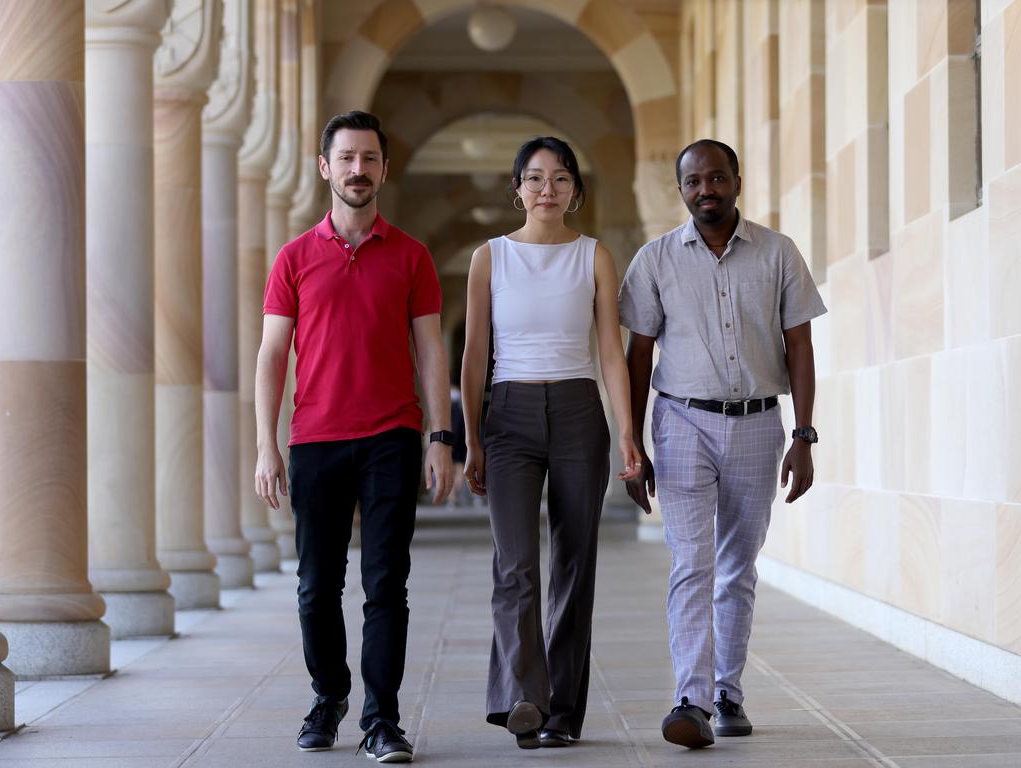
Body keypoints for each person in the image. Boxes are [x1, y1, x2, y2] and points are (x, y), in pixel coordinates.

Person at [254, 110, 454, 763]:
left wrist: (440, 435)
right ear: (325, 167)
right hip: (315, 440)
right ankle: (328, 694)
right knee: (316, 585)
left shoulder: (412, 255)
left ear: (383, 169)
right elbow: (271, 355)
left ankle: (381, 719)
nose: (358, 170)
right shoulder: (293, 258)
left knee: (386, 585)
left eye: (369, 158)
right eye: (347, 158)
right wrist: (267, 444)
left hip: (392, 437)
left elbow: (431, 352)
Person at [618, 139, 826, 750]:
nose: (704, 189)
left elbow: (801, 346)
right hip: (682, 420)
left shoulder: (778, 253)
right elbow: (637, 356)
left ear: (737, 179)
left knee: (737, 565)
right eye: (692, 182)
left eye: (715, 178)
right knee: (692, 563)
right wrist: (633, 445)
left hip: (761, 423)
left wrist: (804, 435)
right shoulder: (654, 261)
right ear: (679, 190)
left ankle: (728, 693)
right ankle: (691, 696)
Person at [460, 136, 642, 750]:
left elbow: (612, 355)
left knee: (573, 563)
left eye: (561, 178)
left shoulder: (594, 256)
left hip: (576, 413)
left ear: (575, 191)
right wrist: (471, 439)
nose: (547, 189)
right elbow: (474, 354)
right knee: (515, 565)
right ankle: (523, 697)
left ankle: (563, 711)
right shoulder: (491, 258)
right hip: (508, 414)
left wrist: (628, 436)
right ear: (517, 189)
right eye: (535, 178)